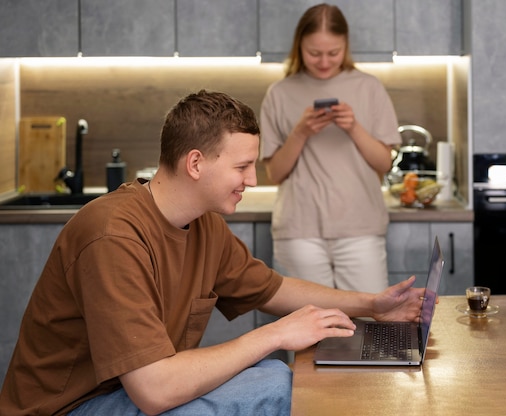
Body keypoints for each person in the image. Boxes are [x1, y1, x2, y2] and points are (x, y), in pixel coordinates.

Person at [0, 90, 426, 416]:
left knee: (275, 374)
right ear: (196, 163)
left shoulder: (204, 224)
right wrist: (276, 334)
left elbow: (272, 290)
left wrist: (371, 305)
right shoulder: (113, 235)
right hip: (73, 408)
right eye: (242, 167)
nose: (253, 180)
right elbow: (154, 391)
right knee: (272, 382)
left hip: (128, 395)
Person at [260, 3, 401, 293]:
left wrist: (353, 127)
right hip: (299, 231)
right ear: (299, 46)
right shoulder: (279, 92)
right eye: (314, 53)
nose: (324, 61)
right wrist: (300, 132)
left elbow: (384, 163)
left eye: (333, 53)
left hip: (360, 228)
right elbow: (274, 173)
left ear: (345, 46)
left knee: (368, 323)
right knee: (309, 330)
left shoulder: (369, 88)